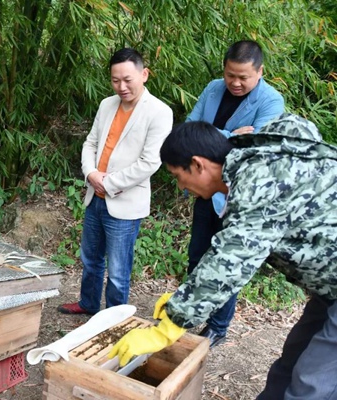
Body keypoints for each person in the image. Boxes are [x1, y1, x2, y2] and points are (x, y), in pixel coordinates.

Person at [110, 114, 337, 399]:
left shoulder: (261, 181)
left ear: (198, 164)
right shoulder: (255, 168)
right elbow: (226, 250)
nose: (182, 188)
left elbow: (232, 260)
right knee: (291, 362)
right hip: (329, 288)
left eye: (179, 177)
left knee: (310, 384)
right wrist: (182, 299)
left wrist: (169, 325)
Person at [58, 48, 173, 315]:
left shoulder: (159, 112)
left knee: (119, 270)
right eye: (115, 80)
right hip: (94, 196)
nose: (121, 87)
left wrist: (107, 183)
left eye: (127, 80)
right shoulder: (106, 104)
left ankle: (113, 319)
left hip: (124, 201)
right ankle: (88, 303)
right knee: (90, 260)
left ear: (144, 74)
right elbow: (91, 143)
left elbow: (149, 163)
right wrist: (91, 174)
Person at [185, 40, 284, 346]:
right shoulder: (214, 88)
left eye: (244, 77)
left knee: (228, 262)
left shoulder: (271, 101)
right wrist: (230, 136)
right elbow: (189, 129)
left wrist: (211, 136)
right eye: (231, 75)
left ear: (260, 72)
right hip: (206, 191)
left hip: (238, 198)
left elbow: (255, 148)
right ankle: (192, 310)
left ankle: (218, 326)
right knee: (197, 256)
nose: (235, 83)